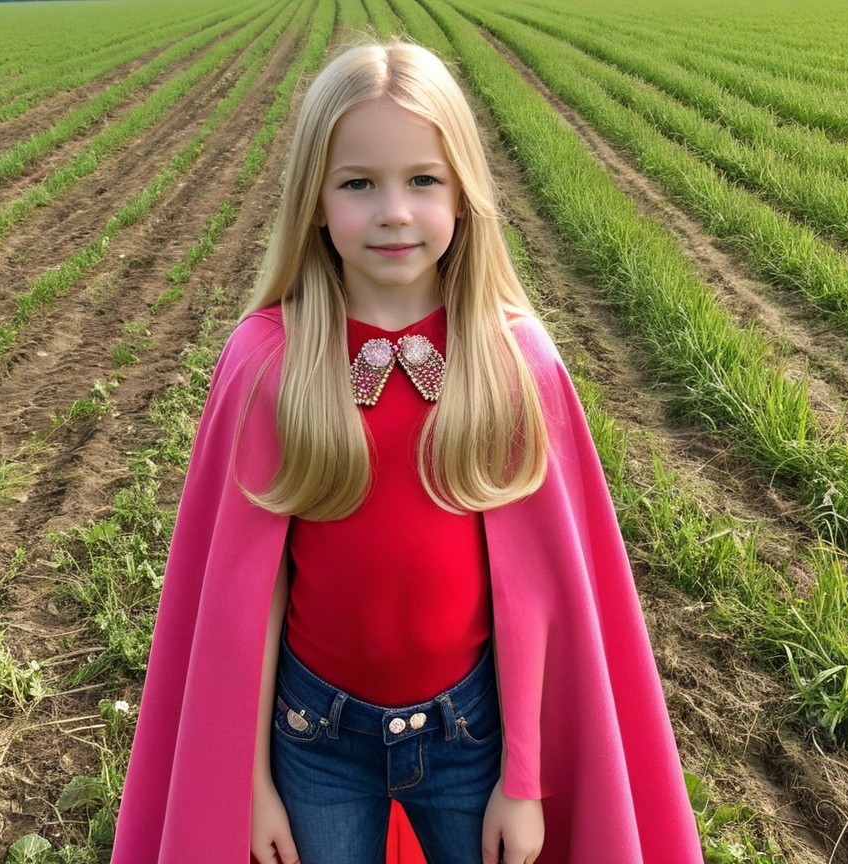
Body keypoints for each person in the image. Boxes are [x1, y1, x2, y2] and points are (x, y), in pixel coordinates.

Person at [109, 41, 703, 864]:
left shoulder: (513, 366)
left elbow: (540, 599)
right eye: (358, 183)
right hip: (315, 743)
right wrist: (249, 784)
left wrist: (524, 783)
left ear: (463, 193)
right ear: (314, 202)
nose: (393, 211)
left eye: (423, 180)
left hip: (473, 740)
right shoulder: (269, 364)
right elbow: (249, 595)